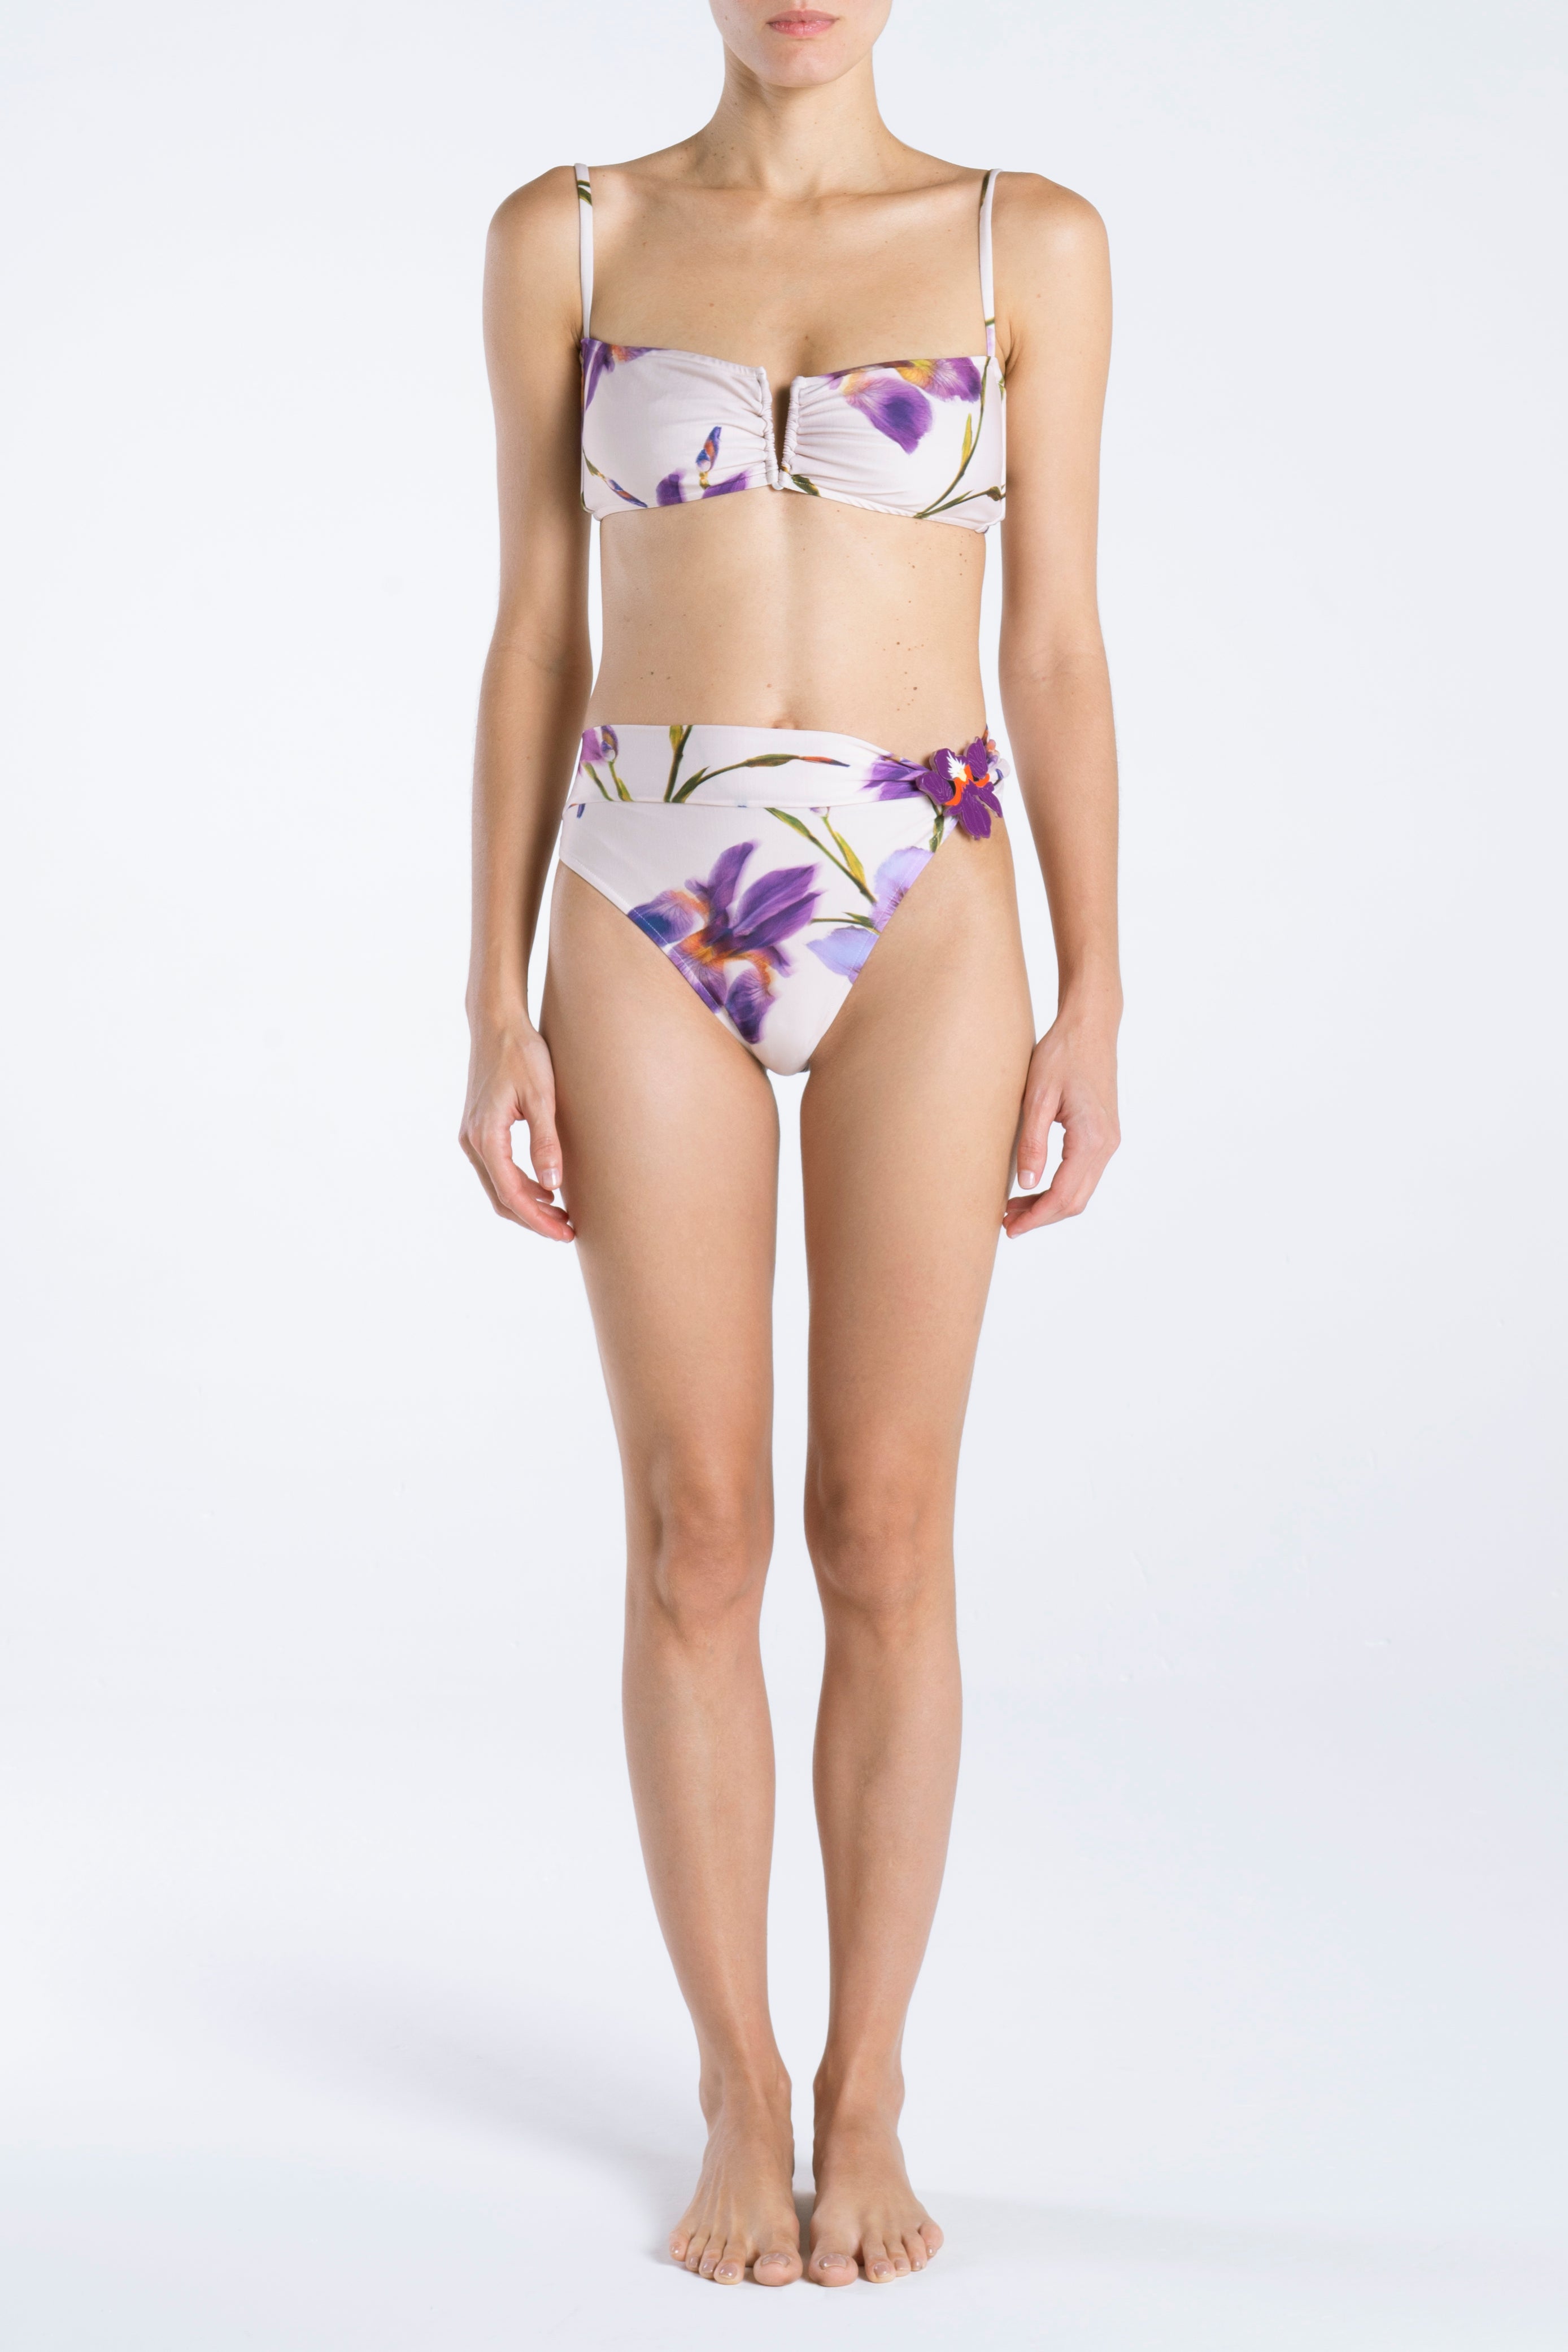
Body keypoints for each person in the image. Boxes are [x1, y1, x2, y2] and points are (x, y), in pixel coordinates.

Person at [459, 0, 1120, 2290]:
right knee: (696, 1530)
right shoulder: (570, 233)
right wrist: (488, 998)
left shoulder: (1026, 240)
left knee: (884, 1524)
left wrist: (1095, 988)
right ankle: (739, 2081)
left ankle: (870, 2087)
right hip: (642, 882)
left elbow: (1056, 644)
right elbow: (534, 632)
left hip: (929, 884)